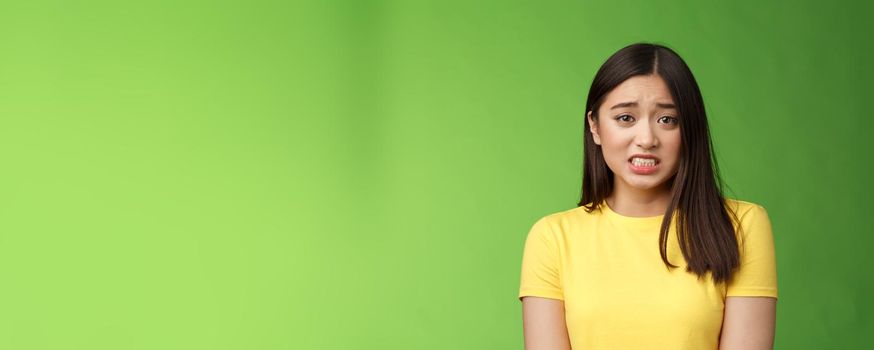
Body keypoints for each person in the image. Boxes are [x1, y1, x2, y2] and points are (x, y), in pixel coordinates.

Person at [518, 43, 778, 350]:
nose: (646, 139)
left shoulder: (741, 226)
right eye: (626, 118)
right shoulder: (552, 238)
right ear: (595, 127)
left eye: (667, 120)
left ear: (689, 130)